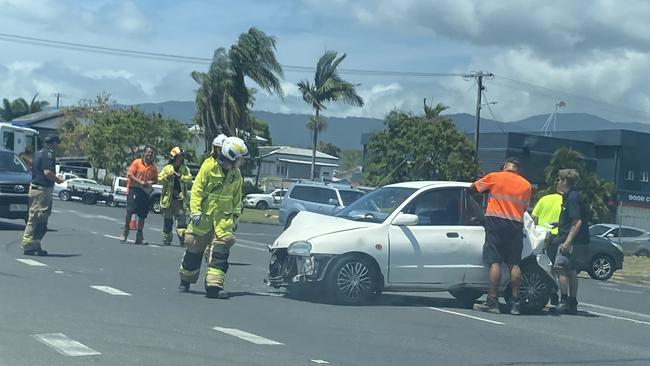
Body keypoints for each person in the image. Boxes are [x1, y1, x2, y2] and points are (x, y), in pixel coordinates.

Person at [178, 136, 246, 299]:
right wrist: (195, 211)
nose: (242, 162)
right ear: (232, 156)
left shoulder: (236, 175)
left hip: (223, 222)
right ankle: (185, 280)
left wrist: (235, 217)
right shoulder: (208, 167)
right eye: (240, 158)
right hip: (203, 219)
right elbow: (197, 191)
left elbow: (237, 199)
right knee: (194, 251)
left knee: (220, 253)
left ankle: (214, 286)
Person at [471, 157, 532, 315]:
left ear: (505, 166)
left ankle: (492, 300)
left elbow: (473, 189)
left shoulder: (495, 177)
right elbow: (525, 207)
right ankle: (515, 303)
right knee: (514, 263)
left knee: (495, 261)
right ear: (517, 169)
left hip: (496, 222)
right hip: (515, 225)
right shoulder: (526, 185)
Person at [552, 169, 589, 315]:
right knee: (571, 269)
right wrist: (559, 223)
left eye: (559, 180)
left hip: (569, 239)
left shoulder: (572, 198)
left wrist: (568, 242)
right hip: (572, 237)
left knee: (560, 267)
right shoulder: (571, 197)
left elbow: (577, 221)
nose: (558, 183)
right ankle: (572, 302)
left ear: (565, 181)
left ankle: (564, 300)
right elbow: (571, 219)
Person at [21, 135, 65, 256]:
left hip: (35, 189)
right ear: (53, 143)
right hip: (42, 190)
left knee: (36, 217)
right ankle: (29, 245)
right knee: (38, 218)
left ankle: (34, 245)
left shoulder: (38, 153)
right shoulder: (49, 155)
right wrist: (58, 179)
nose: (58, 146)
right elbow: (47, 172)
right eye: (57, 143)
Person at [119, 145, 158, 245]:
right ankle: (126, 230)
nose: (150, 154)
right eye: (148, 152)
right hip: (134, 189)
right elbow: (130, 175)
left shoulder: (153, 166)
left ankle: (139, 236)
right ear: (144, 153)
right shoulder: (137, 162)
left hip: (145, 190)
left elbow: (155, 179)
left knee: (143, 214)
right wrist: (140, 182)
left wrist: (150, 183)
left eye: (151, 153)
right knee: (130, 210)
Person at [531, 191, 563, 307]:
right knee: (554, 266)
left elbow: (533, 217)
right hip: (557, 236)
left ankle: (548, 290)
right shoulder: (564, 201)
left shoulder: (544, 199)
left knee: (542, 265)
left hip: (541, 237)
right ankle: (554, 292)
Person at [158, 147, 192, 246]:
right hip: (168, 200)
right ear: (175, 157)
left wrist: (180, 176)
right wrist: (167, 177)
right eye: (180, 155)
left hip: (180, 200)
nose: (181, 157)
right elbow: (159, 180)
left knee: (181, 222)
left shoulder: (184, 169)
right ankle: (166, 239)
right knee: (168, 222)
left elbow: (189, 179)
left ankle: (183, 240)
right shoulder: (167, 168)